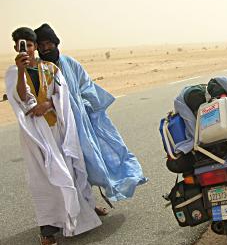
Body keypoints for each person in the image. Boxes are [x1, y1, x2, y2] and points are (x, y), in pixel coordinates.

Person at [5, 27, 102, 245]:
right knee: (42, 179)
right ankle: (47, 228)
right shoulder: (12, 73)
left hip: (56, 129)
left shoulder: (50, 69)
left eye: (29, 45)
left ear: (35, 46)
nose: (27, 49)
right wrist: (21, 71)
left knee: (68, 170)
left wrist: (48, 104)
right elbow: (19, 97)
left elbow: (62, 95)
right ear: (15, 48)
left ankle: (76, 214)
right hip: (34, 134)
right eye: (22, 45)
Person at [34, 24, 147, 204]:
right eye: (41, 45)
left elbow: (87, 86)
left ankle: (90, 206)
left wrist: (82, 106)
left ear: (56, 43)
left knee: (89, 163)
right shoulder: (37, 70)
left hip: (80, 123)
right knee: (66, 169)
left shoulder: (70, 63)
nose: (46, 48)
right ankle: (78, 210)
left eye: (49, 43)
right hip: (55, 128)